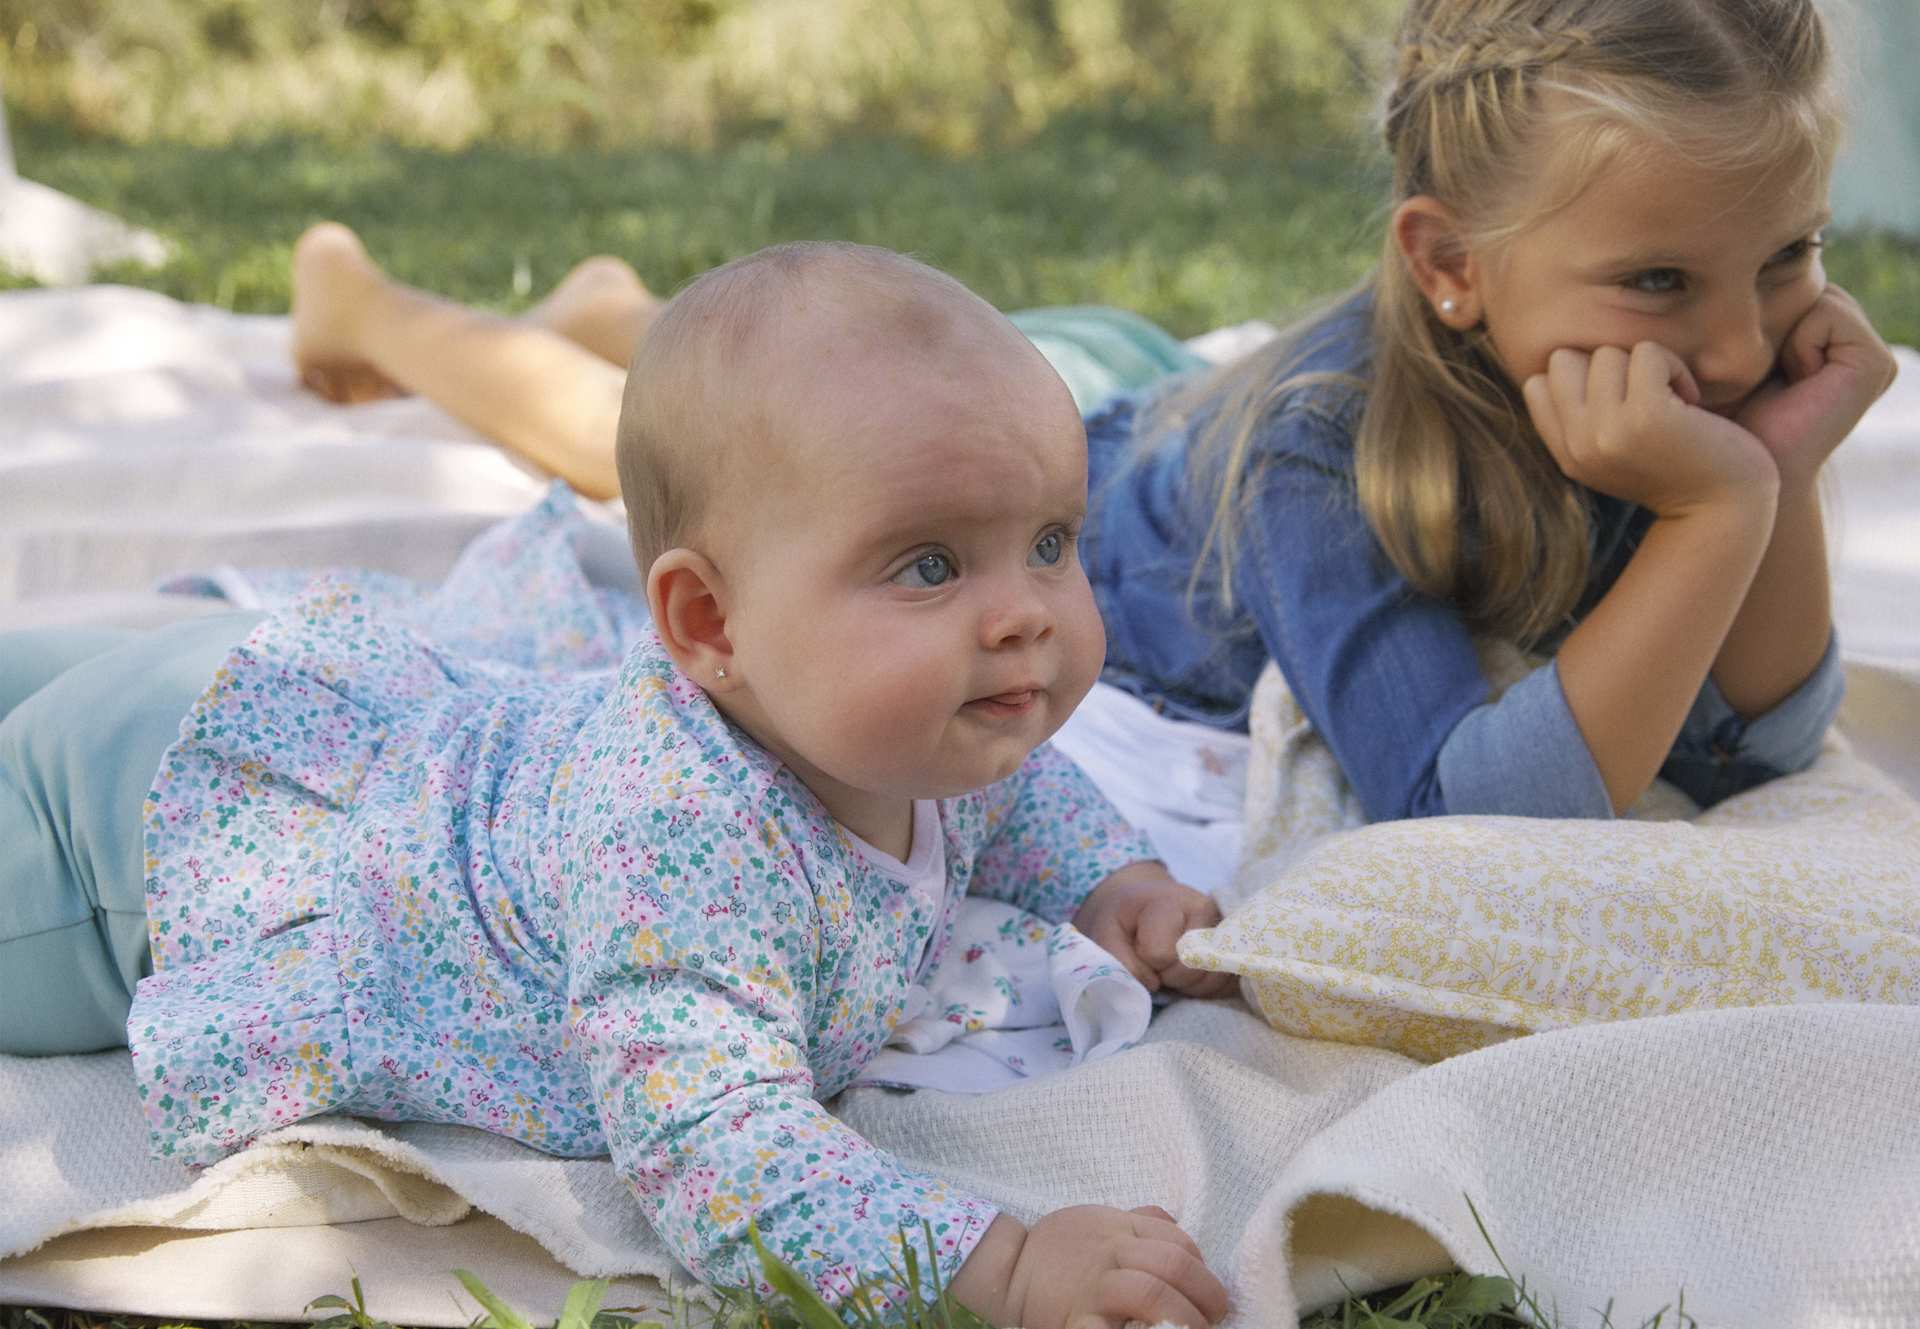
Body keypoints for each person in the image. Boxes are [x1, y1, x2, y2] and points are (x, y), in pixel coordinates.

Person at [287, 0, 1900, 830]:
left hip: (1144, 397)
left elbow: (1751, 748)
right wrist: (1719, 511)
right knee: (672, 435)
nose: (1742, 341)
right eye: (1659, 281)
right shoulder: (1324, 452)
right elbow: (1469, 810)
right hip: (1079, 456)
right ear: (1450, 267)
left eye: (1788, 257)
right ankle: (366, 301)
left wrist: (1768, 476)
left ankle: (616, 299)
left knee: (741, 355)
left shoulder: (1670, 388)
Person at [0, 242, 1233, 1329]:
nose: (1024, 615)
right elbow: (717, 1152)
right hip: (158, 842)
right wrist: (1000, 1267)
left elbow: (1019, 789)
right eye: (928, 566)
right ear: (709, 622)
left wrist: (1108, 882)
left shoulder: (929, 726)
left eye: (1051, 543)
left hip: (270, 703)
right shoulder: (683, 848)